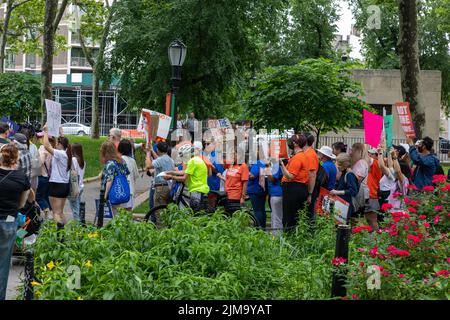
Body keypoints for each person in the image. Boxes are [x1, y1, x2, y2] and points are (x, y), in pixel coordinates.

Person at [0, 143, 31, 300]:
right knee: (3, 264)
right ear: (16, 158)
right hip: (8, 221)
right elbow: (22, 204)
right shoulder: (21, 178)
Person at [164, 142, 210, 212]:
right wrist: (170, 172)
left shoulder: (192, 161)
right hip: (201, 189)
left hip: (197, 190)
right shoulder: (197, 159)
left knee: (195, 215)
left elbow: (183, 178)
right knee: (199, 215)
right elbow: (185, 171)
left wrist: (171, 177)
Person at [43, 125, 72, 232]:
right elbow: (66, 143)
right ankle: (65, 232)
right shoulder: (68, 153)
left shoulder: (60, 154)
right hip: (65, 185)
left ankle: (60, 235)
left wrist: (46, 132)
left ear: (60, 145)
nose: (56, 145)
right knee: (60, 212)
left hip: (56, 185)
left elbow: (46, 145)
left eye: (58, 143)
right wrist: (61, 133)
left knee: (55, 212)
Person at [280, 134, 309, 231]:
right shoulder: (302, 156)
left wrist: (281, 165)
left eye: (291, 141)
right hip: (299, 188)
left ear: (295, 144)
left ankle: (288, 238)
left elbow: (290, 176)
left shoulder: (298, 157)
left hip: (293, 189)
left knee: (289, 217)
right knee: (295, 216)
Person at [145, 141, 175, 225]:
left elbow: (148, 165)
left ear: (158, 150)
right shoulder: (169, 159)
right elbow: (158, 159)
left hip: (160, 188)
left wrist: (148, 154)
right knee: (165, 210)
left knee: (159, 212)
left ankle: (161, 231)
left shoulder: (161, 159)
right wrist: (151, 150)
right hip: (168, 187)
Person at [100, 141, 130, 215]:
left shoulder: (110, 164)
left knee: (115, 214)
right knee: (118, 212)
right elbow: (126, 174)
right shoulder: (121, 161)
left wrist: (105, 195)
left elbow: (109, 180)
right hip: (121, 190)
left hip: (113, 192)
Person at [330, 153, 359, 223]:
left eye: (338, 164)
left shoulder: (349, 175)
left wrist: (337, 192)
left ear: (344, 165)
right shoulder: (343, 173)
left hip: (346, 206)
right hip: (341, 204)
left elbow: (353, 191)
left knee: (343, 227)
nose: (336, 166)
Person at [222, 148, 249, 213]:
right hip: (227, 194)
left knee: (234, 215)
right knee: (227, 215)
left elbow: (245, 183)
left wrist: (243, 197)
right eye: (231, 154)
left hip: (236, 195)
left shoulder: (243, 166)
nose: (232, 156)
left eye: (234, 154)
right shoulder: (230, 164)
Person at [36, 133, 55, 219]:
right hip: (48, 176)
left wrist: (35, 161)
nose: (39, 138)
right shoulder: (51, 149)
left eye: (41, 137)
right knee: (45, 197)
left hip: (42, 175)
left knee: (39, 197)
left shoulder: (43, 148)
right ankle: (50, 213)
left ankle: (47, 213)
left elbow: (39, 162)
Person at [118, 140, 139, 211]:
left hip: (119, 190)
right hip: (130, 190)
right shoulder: (132, 161)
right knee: (128, 212)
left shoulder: (117, 160)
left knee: (119, 212)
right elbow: (136, 175)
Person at [350, 142, 370, 217]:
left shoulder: (361, 163)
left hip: (360, 193)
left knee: (357, 217)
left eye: (353, 150)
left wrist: (350, 172)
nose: (351, 153)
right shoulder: (359, 162)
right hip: (359, 192)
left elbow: (359, 178)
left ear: (358, 151)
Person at [68, 143, 86, 221]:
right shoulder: (83, 162)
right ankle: (80, 223)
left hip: (74, 186)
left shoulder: (73, 160)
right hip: (80, 186)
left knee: (75, 209)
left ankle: (77, 227)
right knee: (77, 207)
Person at [304, 134, 319, 224]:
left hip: (309, 188)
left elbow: (312, 175)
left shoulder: (310, 155)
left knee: (308, 216)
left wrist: (310, 193)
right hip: (308, 188)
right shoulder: (308, 153)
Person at [265, 158, 283, 235]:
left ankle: (277, 238)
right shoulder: (275, 164)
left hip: (277, 194)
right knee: (274, 215)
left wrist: (268, 166)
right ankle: (274, 235)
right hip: (274, 193)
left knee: (276, 217)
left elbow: (272, 179)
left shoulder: (277, 165)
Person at [248, 159, 267, 228]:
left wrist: (244, 172)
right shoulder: (263, 162)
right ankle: (263, 227)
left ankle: (259, 228)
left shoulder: (257, 163)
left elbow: (252, 176)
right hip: (261, 189)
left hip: (255, 190)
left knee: (257, 211)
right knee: (262, 210)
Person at [20, 129, 41, 193]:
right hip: (33, 177)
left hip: (21, 178)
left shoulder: (18, 146)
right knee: (31, 199)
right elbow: (39, 163)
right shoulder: (34, 147)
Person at [366, 148, 382, 230]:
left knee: (372, 220)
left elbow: (368, 160)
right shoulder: (372, 164)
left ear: (377, 156)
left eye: (371, 154)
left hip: (372, 195)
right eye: (368, 153)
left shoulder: (375, 163)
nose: (369, 155)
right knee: (369, 220)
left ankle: (376, 239)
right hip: (369, 195)